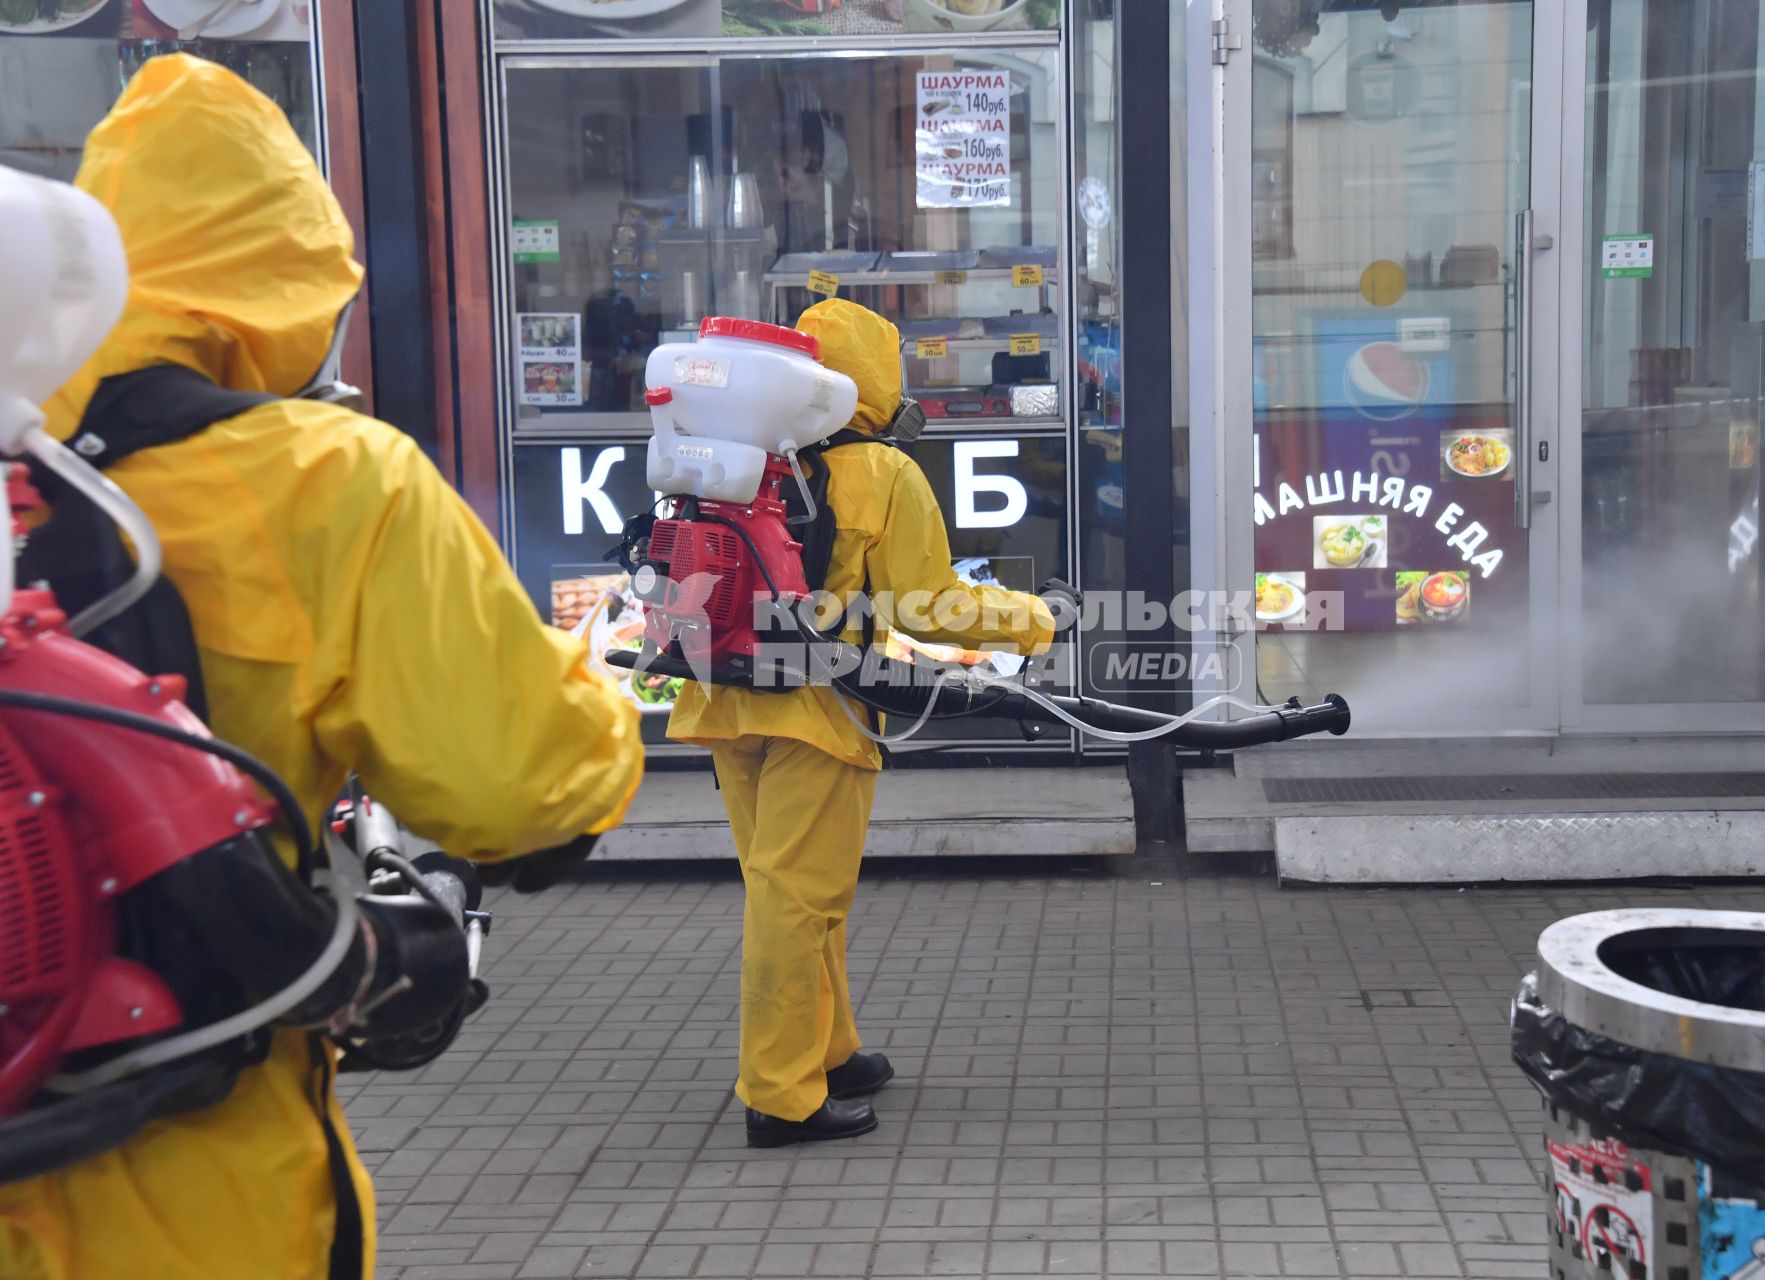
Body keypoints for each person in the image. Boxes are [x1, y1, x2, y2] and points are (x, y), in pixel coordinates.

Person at [0, 55, 645, 1280]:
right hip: (181, 1164)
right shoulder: (328, 477)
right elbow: (521, 794)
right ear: (292, 277)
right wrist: (598, 705)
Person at [667, 298, 1057, 1147]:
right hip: (818, 701)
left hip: (722, 690)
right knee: (798, 898)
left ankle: (828, 1050)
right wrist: (1036, 617)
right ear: (877, 381)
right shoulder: (880, 473)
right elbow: (941, 609)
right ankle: (779, 1095)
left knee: (788, 890)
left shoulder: (737, 451)